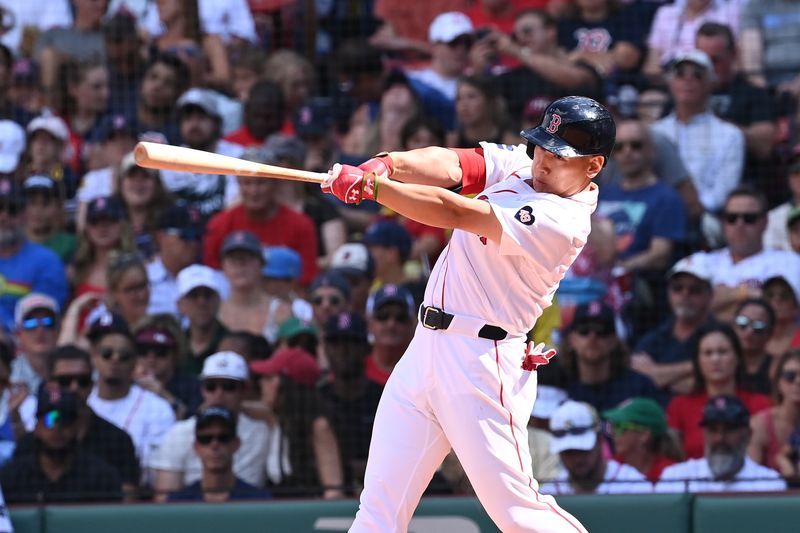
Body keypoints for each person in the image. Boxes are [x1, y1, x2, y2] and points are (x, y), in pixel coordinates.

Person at [319, 95, 616, 532]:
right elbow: (459, 165)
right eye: (542, 148)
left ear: (592, 167)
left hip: (483, 362)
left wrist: (375, 189)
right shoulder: (527, 163)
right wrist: (387, 165)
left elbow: (457, 211)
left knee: (517, 513)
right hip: (425, 349)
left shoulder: (563, 219)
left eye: (559, 156)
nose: (544, 161)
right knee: (378, 508)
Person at [13, 345, 141, 497]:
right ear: (49, 384)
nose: (74, 388)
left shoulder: (117, 440)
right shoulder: (30, 444)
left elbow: (126, 504)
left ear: (92, 385)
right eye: (64, 381)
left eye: (82, 381)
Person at [149, 351, 278, 501]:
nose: (219, 394)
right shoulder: (179, 434)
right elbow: (164, 503)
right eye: (211, 386)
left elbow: (278, 473)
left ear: (244, 390)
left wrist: (268, 415)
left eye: (229, 387)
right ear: (202, 389)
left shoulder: (261, 431)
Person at [650, 49, 744, 220]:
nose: (688, 80)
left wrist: (692, 207)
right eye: (680, 74)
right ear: (671, 83)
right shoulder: (655, 132)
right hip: (657, 216)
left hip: (704, 218)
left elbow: (723, 192)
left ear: (711, 83)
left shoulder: (730, 135)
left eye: (697, 75)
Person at [0, 385, 123, 503]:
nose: (57, 428)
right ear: (37, 427)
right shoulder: (12, 477)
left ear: (77, 427)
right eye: (50, 420)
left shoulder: (101, 477)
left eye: (65, 419)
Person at [666, 323, 772, 459]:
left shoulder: (760, 404)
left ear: (737, 357)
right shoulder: (679, 406)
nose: (715, 359)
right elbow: (674, 458)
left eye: (722, 352)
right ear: (697, 361)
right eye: (708, 353)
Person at [86, 311, 176, 469]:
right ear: (94, 357)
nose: (115, 359)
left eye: (124, 356)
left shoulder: (157, 409)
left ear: (135, 361)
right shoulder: (81, 401)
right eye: (107, 354)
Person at [250, 347, 344, 498]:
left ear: (288, 386)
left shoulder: (319, 426)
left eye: (269, 378)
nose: (261, 383)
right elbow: (241, 408)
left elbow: (333, 492)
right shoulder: (276, 418)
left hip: (308, 514)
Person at [701, 186, 800, 320]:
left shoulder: (790, 262)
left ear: (765, 222)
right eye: (732, 218)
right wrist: (748, 293)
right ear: (723, 223)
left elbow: (781, 313)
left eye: (749, 218)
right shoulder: (701, 262)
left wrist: (723, 300)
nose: (739, 224)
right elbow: (692, 307)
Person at [548, 300, 662, 413]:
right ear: (572, 340)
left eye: (601, 330)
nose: (592, 337)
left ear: (614, 340)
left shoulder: (639, 387)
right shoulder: (557, 384)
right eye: (584, 330)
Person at [656, 394, 786, 493]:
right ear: (704, 434)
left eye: (729, 430)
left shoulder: (769, 484)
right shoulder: (676, 478)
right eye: (713, 430)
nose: (720, 438)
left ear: (748, 435)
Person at [318, 311, 381, 496]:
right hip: (325, 496)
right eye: (336, 343)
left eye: (351, 342)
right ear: (326, 348)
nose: (343, 350)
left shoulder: (384, 398)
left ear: (366, 348)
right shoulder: (317, 400)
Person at [159, 88, 244, 220]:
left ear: (216, 123)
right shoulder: (169, 163)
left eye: (201, 118)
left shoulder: (237, 156)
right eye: (188, 118)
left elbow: (234, 208)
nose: (194, 125)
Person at [538, 400, 652, 495]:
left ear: (599, 441)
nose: (577, 459)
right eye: (569, 452)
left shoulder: (633, 486)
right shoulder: (549, 494)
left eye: (583, 450)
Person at [0, 177, 68, 333]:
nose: (4, 216)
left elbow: (41, 319)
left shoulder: (47, 261)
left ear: (24, 215)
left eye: (12, 209)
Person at [166, 405, 272, 502]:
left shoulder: (258, 500)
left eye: (223, 438)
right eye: (206, 439)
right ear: (196, 447)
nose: (214, 445)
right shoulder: (179, 502)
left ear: (236, 444)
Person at [217, 231, 292, 344]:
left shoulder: (281, 312)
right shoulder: (214, 311)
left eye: (247, 259)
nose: (240, 266)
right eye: (233, 259)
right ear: (223, 266)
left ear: (261, 263)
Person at [132, 314, 202, 420]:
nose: (151, 358)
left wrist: (164, 395)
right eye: (143, 350)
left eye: (160, 351)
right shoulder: (126, 384)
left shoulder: (193, 387)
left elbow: (194, 424)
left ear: (175, 354)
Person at [604, 397, 680, 483]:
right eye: (613, 427)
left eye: (619, 427)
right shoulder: (610, 467)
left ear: (644, 436)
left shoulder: (671, 473)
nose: (613, 433)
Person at [146, 203, 204, 316]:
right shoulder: (144, 280)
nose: (194, 243)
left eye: (198, 236)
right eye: (186, 235)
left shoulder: (210, 280)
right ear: (161, 237)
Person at [748, 350, 800, 473]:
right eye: (790, 376)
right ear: (778, 383)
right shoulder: (759, 425)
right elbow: (750, 481)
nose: (798, 381)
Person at [176, 264, 228, 375]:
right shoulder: (174, 347)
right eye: (193, 296)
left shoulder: (231, 344)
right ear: (180, 305)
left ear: (219, 300)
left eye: (208, 295)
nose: (202, 302)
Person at [364, 284, 416, 386]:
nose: (391, 324)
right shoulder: (356, 371)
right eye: (383, 316)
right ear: (369, 323)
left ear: (412, 324)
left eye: (400, 317)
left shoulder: (424, 373)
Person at [9, 293, 60, 395]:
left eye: (48, 322)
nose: (40, 330)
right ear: (18, 333)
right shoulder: (8, 375)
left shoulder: (75, 372)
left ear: (58, 330)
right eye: (30, 323)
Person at [732, 298, 776, 395]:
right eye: (742, 322)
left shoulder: (777, 369)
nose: (749, 331)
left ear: (770, 333)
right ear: (733, 325)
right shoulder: (721, 363)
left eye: (758, 326)